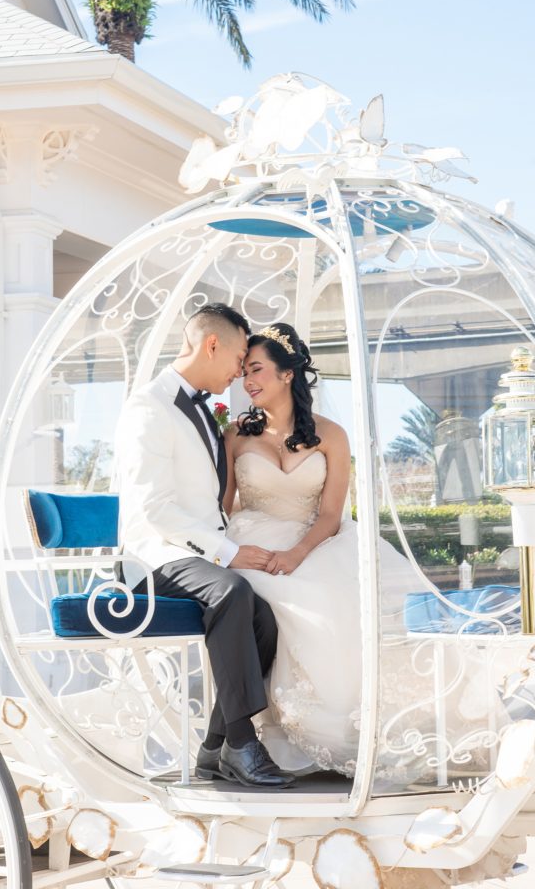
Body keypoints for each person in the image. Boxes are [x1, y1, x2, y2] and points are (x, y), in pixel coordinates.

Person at [224, 322, 418, 774]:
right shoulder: (235, 437)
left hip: (315, 540)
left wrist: (297, 554)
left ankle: (345, 730)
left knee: (341, 600)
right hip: (253, 539)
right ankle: (263, 732)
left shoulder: (331, 436)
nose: (248, 381)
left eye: (256, 370)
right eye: (243, 373)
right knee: (289, 600)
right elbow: (222, 506)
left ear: (287, 374)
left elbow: (332, 515)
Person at [116, 303, 295, 788]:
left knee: (265, 619)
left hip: (194, 553)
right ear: (212, 344)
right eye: (239, 355)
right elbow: (154, 510)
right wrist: (227, 553)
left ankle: (214, 748)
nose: (241, 369)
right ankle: (241, 742)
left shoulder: (207, 409)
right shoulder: (148, 408)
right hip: (153, 556)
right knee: (231, 592)